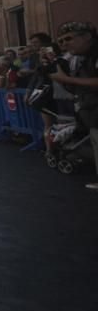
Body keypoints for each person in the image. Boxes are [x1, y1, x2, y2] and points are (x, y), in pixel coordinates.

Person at [49, 21, 98, 190]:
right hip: (92, 112)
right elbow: (78, 87)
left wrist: (67, 79)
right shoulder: (81, 59)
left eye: (68, 38)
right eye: (61, 41)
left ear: (87, 36)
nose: (64, 44)